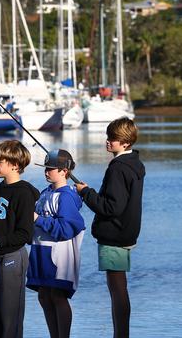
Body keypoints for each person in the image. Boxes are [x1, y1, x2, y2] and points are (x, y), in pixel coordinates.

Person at [75, 117, 145, 338]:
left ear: (125, 143)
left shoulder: (118, 168)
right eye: (108, 137)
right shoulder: (134, 164)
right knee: (119, 287)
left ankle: (121, 335)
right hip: (126, 232)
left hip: (114, 234)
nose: (108, 141)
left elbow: (111, 206)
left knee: (117, 289)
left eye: (113, 139)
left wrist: (85, 193)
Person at [0, 139, 40, 338]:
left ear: (15, 165)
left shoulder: (24, 194)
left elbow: (24, 234)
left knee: (9, 320)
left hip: (12, 258)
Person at [27, 149, 85, 338]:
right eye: (46, 168)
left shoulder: (66, 196)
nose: (46, 172)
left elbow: (67, 229)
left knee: (57, 295)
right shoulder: (45, 192)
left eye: (51, 168)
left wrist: (38, 219)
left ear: (64, 171)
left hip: (58, 255)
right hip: (39, 250)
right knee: (43, 295)